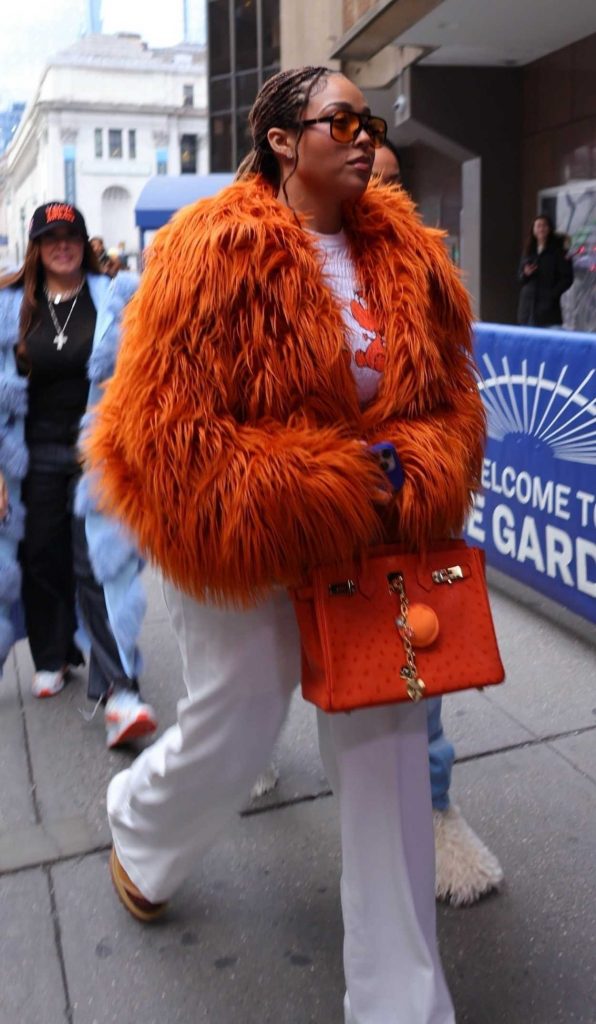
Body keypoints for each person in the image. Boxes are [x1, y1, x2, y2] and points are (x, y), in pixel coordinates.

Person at [86, 67, 486, 1023]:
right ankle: (141, 831)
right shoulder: (206, 253)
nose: (363, 138)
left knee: (388, 752)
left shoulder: (410, 257)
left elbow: (454, 404)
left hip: (372, 547)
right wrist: (324, 481)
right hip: (250, 542)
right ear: (279, 139)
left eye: (369, 122)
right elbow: (160, 431)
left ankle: (404, 1007)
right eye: (340, 119)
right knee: (239, 716)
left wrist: (413, 465)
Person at [372, 141, 504, 907]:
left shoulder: (428, 275)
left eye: (393, 182)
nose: (380, 193)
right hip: (321, 514)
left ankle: (434, 812)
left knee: (420, 667)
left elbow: (457, 391)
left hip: (412, 515)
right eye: (366, 177)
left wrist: (428, 470)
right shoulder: (294, 265)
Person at [0, 202, 156, 748]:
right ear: (36, 248)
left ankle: (121, 689)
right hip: (36, 453)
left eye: (70, 235)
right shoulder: (11, 308)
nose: (60, 245)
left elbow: (150, 374)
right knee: (41, 557)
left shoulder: (120, 297)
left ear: (84, 242)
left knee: (100, 566)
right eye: (49, 237)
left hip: (100, 454)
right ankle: (52, 653)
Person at [517, 214, 573, 327]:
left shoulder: (559, 252)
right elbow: (520, 277)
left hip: (548, 309)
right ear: (533, 230)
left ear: (549, 229)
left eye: (544, 226)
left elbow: (567, 278)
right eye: (538, 226)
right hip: (527, 308)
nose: (541, 229)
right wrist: (526, 274)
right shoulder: (528, 251)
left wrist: (552, 294)